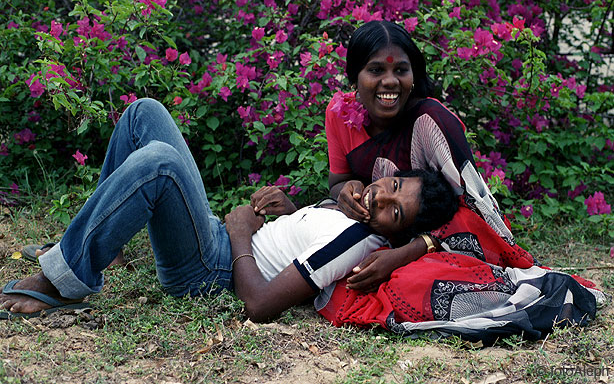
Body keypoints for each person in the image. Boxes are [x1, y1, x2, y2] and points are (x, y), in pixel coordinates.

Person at [0, 98, 459, 321]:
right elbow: (306, 238)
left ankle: (61, 282)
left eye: (393, 211)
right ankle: (106, 248)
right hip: (221, 245)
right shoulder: (355, 211)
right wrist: (292, 208)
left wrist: (240, 231)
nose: (381, 197)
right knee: (144, 113)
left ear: (394, 232)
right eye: (394, 185)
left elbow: (259, 305)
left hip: (208, 270)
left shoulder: (360, 242)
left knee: (159, 164)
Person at [325, 20, 536, 292]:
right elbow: (337, 183)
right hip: (379, 240)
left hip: (448, 243)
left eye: (401, 70)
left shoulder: (432, 122)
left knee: (417, 287)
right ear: (355, 76)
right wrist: (347, 192)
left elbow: (474, 211)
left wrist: (405, 254)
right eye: (376, 70)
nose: (390, 81)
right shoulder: (340, 114)